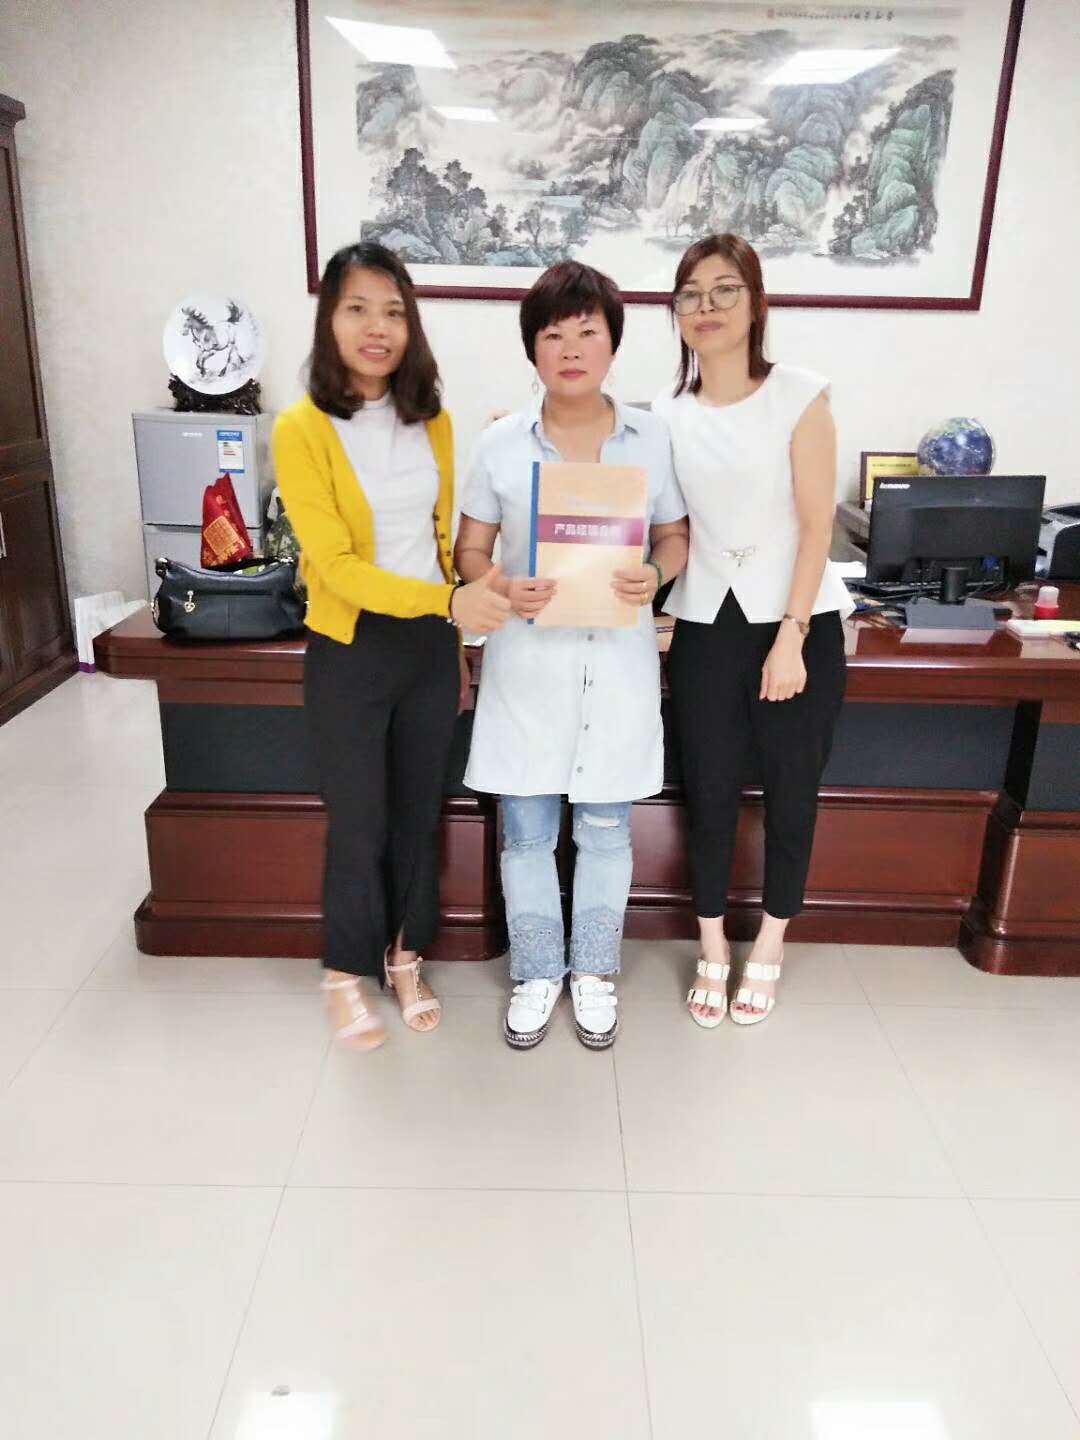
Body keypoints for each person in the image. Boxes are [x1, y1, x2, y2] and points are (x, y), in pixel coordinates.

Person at [273, 241, 510, 1052]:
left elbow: (441, 545)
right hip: (350, 648)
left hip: (427, 646)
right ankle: (344, 972)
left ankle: (407, 956)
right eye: (357, 309)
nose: (377, 328)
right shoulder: (301, 430)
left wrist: (453, 639)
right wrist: (449, 603)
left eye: (393, 311)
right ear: (329, 321)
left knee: (418, 812)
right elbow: (337, 567)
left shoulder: (433, 421)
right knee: (358, 820)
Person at [455, 260, 689, 1050]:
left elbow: (675, 534)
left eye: (588, 331)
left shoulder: (651, 437)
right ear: (533, 349)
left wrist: (655, 574)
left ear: (612, 343)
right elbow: (469, 550)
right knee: (525, 832)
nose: (571, 348)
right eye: (553, 334)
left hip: (617, 665)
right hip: (529, 665)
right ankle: (535, 972)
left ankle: (592, 971)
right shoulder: (499, 443)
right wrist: (499, 582)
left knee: (606, 831)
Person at [653, 233, 853, 1029]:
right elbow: (662, 523)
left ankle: (770, 941)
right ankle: (711, 944)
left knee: (791, 790)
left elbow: (817, 526)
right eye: (690, 294)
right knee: (706, 789)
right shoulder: (665, 413)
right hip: (706, 625)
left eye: (724, 290)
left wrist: (792, 635)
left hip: (798, 624)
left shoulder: (800, 395)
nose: (706, 307)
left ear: (755, 302)